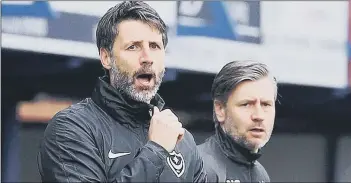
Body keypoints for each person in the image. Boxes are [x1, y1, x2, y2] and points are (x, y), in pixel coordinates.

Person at [38, 1, 207, 182]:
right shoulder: (72, 129)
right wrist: (156, 150)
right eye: (133, 47)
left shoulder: (183, 140)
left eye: (155, 46)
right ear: (106, 58)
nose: (147, 58)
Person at [198, 60, 277, 182]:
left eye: (266, 104)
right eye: (246, 104)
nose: (259, 115)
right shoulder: (198, 167)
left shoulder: (261, 175)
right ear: (220, 110)